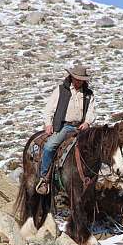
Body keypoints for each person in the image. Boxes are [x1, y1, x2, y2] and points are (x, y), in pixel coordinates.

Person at [36, 64, 97, 195]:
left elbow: (91, 111)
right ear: (71, 77)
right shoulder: (61, 90)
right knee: (49, 147)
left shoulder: (88, 94)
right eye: (77, 79)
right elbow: (48, 109)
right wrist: (48, 124)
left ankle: (93, 176)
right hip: (65, 126)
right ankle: (44, 177)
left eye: (81, 80)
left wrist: (87, 122)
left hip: (81, 127)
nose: (79, 82)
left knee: (96, 147)